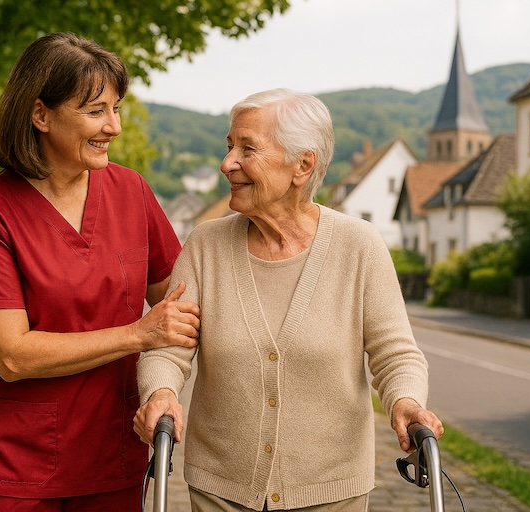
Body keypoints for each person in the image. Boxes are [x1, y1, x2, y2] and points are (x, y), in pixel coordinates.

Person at [134, 88, 443, 512]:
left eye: (247, 149)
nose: (228, 163)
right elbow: (168, 348)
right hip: (221, 490)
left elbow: (396, 354)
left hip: (331, 493)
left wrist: (406, 400)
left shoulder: (359, 246)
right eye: (228, 147)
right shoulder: (205, 246)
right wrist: (161, 391)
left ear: (302, 164)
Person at [0, 32, 200, 511]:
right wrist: (137, 334)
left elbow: (183, 302)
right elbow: (12, 356)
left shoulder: (131, 191)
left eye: (117, 108)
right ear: (41, 114)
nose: (113, 127)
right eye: (95, 110)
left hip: (112, 455)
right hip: (15, 467)